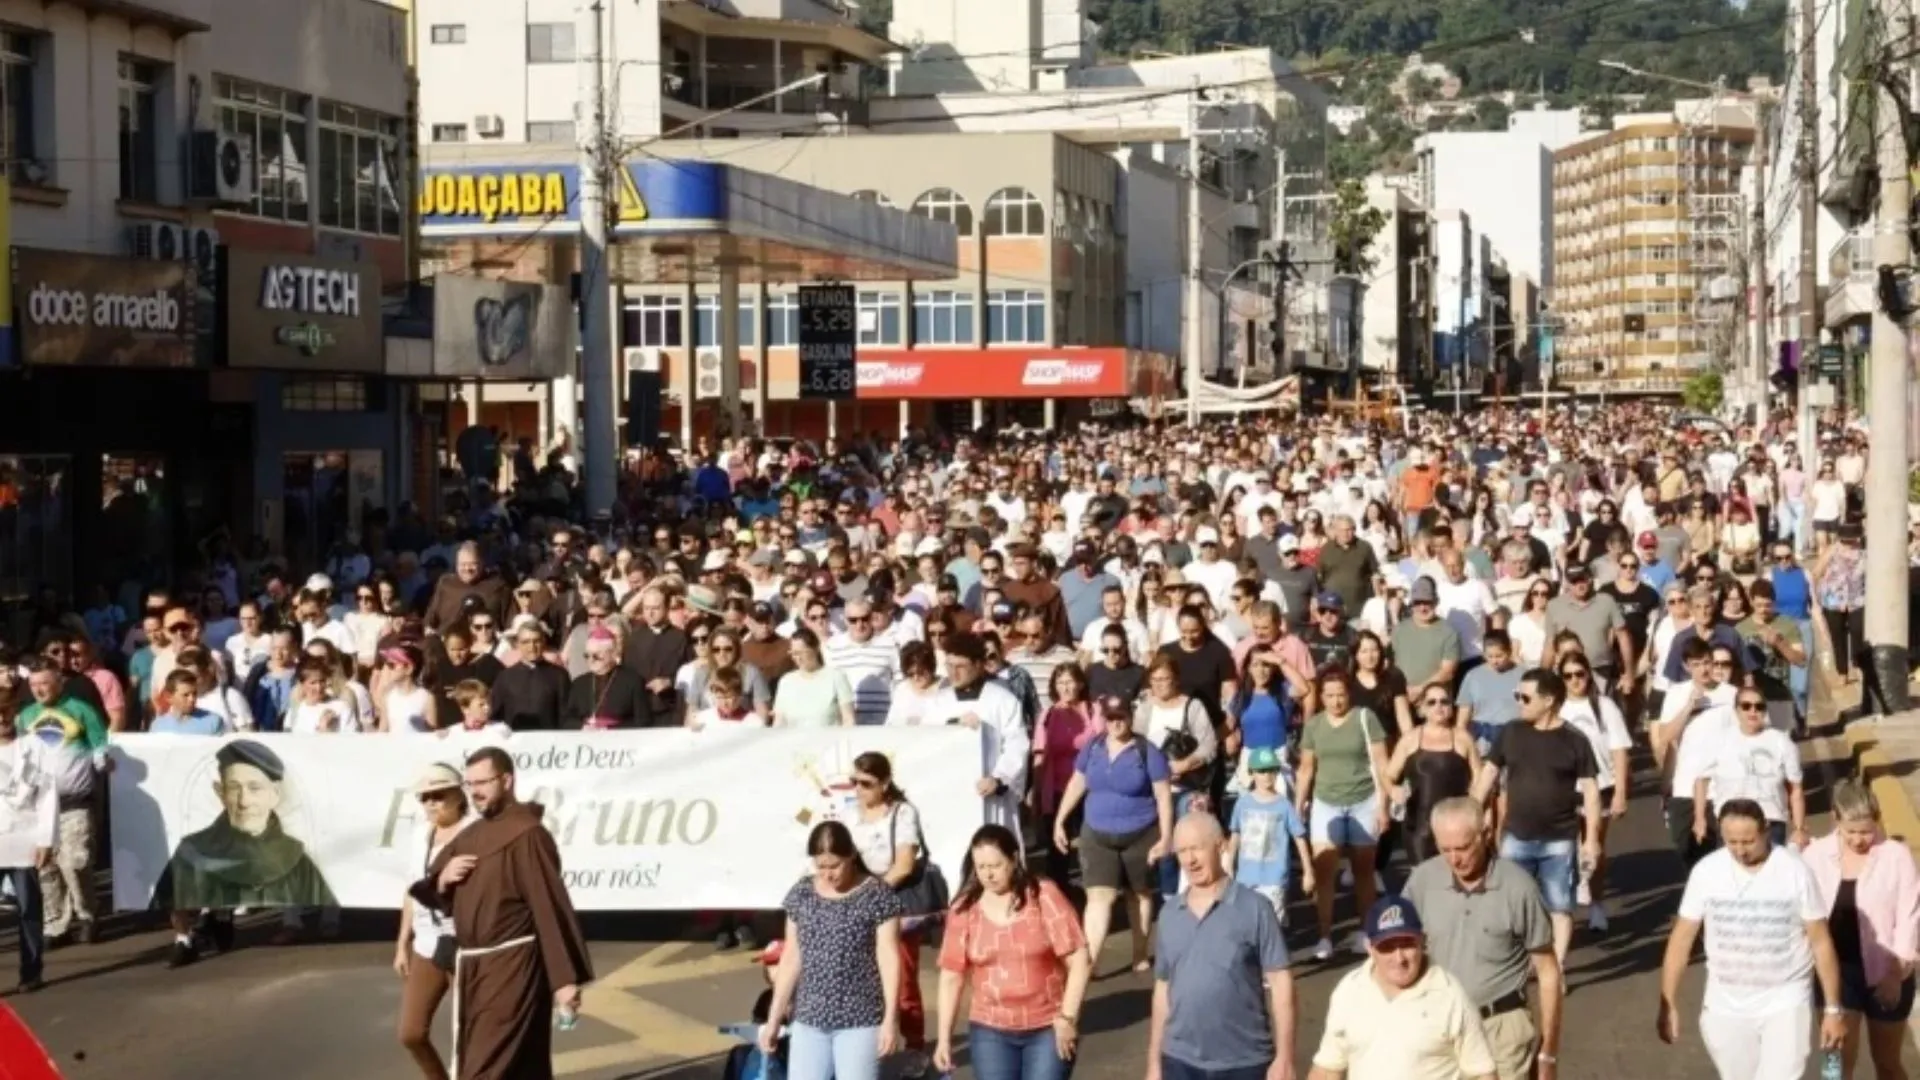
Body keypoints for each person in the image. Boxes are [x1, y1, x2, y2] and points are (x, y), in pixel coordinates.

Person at [410, 747, 593, 1080]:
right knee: (521, 1065)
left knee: (485, 1066)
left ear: (506, 780)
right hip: (473, 968)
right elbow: (430, 892)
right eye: (470, 784)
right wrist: (443, 879)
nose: (475, 792)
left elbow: (549, 906)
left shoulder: (527, 834)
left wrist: (564, 980)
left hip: (513, 966)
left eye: (483, 782)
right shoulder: (473, 835)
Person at [1658, 799, 1847, 1080]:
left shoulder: (1795, 871)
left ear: (1766, 831)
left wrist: (1833, 1008)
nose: (1740, 850)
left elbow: (1820, 941)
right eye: (1731, 841)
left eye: (1748, 841)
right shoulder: (1706, 872)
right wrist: (1668, 1002)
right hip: (1726, 1005)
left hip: (1786, 999)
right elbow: (1682, 939)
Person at [1403, 797, 1564, 1080]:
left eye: (1463, 848)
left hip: (1500, 1029)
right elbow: (1398, 953)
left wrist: (1547, 1052)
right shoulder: (1423, 881)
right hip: (1438, 1026)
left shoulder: (1518, 888)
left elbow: (1548, 971)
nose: (1454, 859)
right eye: (1445, 849)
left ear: (1486, 835)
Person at [933, 824, 1093, 1080]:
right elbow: (951, 976)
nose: (988, 874)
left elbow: (1079, 958)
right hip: (990, 1029)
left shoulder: (1043, 896)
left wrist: (1068, 1018)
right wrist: (944, 1039)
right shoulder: (965, 909)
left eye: (995, 866)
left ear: (1014, 858)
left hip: (1048, 1025)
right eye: (981, 867)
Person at [1146, 812, 1296, 1080]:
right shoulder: (1169, 914)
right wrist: (1154, 1062)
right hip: (1179, 1061)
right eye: (1181, 851)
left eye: (1197, 848)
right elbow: (1162, 990)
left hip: (1245, 1062)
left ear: (1221, 846)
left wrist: (1285, 1057)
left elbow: (1281, 982)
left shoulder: (1255, 908)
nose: (1189, 860)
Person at [1471, 668, 1600, 965]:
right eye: (1517, 695)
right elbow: (1489, 773)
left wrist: (1590, 839)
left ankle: (1554, 969)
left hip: (1561, 839)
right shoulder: (1511, 731)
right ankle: (1515, 963)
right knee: (1510, 903)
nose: (1519, 702)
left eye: (1525, 697)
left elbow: (1591, 792)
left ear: (1549, 700)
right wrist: (1473, 815)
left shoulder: (1575, 740)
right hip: (1516, 836)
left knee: (1559, 907)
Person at [760, 821, 905, 1080]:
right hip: (808, 1020)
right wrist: (774, 1019)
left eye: (835, 865)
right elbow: (792, 958)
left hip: (861, 1020)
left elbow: (889, 959)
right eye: (821, 866)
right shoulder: (801, 893)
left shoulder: (877, 896)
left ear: (850, 855)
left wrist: (890, 1019)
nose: (828, 874)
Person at [1307, 895, 1499, 1080]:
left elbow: (1482, 1073)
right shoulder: (1349, 990)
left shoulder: (1450, 995)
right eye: (1387, 947)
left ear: (1422, 941)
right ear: (1370, 948)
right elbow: (1327, 1068)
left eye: (1407, 945)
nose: (1399, 959)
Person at [1803, 780, 1920, 1080]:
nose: (1858, 840)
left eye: (1866, 831)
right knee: (1834, 1063)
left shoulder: (1896, 856)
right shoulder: (1814, 856)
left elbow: (1910, 918)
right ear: (1835, 819)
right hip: (1835, 976)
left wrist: (1896, 974)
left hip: (1888, 971)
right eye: (1850, 831)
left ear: (1877, 821)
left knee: (1888, 1063)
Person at [1052, 693, 1171, 976]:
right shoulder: (1093, 747)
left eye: (1121, 717)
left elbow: (1163, 796)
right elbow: (1077, 782)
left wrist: (1166, 837)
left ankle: (1140, 952)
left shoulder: (1147, 751)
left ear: (1130, 716)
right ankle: (1089, 962)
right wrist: (1060, 819)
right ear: (1103, 719)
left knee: (1138, 895)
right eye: (1111, 718)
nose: (1116, 723)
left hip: (1140, 832)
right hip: (1097, 832)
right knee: (1098, 898)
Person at [161, 739, 337, 910]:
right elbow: (163, 909)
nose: (244, 801)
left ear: (275, 794)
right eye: (234, 788)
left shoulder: (296, 861)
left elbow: (327, 916)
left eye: (255, 788)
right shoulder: (192, 854)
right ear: (220, 793)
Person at [1295, 668, 1390, 961]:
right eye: (1330, 695)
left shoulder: (1365, 718)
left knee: (1363, 871)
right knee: (1325, 870)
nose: (1336, 701)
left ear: (1349, 694)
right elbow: (1307, 768)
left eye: (1341, 695)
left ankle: (1365, 931)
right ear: (1321, 697)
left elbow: (1381, 763)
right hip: (1326, 802)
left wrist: (1384, 805)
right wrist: (1298, 804)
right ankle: (1325, 935)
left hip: (1364, 800)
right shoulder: (1314, 726)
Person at [395, 763, 476, 1080]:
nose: (430, 803)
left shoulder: (476, 832)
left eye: (438, 795)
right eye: (424, 797)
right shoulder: (420, 835)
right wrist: (403, 943)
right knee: (411, 1033)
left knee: (467, 1032)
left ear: (459, 795)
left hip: (466, 942)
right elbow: (412, 891)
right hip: (427, 943)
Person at [1692, 685, 1805, 849]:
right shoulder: (1720, 740)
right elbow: (1701, 781)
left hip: (1770, 822)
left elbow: (1796, 788)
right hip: (1730, 825)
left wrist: (1799, 828)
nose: (1753, 712)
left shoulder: (1782, 742)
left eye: (1759, 707)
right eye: (1746, 706)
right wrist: (1699, 819)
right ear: (1736, 710)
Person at [0, 696, 54, 994]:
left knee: (29, 907)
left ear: (14, 713)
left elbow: (48, 794)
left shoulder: (34, 747)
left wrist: (47, 838)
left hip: (25, 838)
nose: (1, 719)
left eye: (5, 712)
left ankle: (32, 971)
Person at [1227, 747, 1313, 923]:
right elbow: (1235, 835)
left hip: (1274, 877)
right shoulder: (1242, 804)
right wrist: (1229, 863)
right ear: (1252, 773)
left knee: (1272, 924)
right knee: (1247, 924)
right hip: (1246, 876)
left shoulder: (1284, 805)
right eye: (1261, 771)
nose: (1267, 775)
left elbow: (1299, 837)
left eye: (1271, 770)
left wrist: (1308, 871)